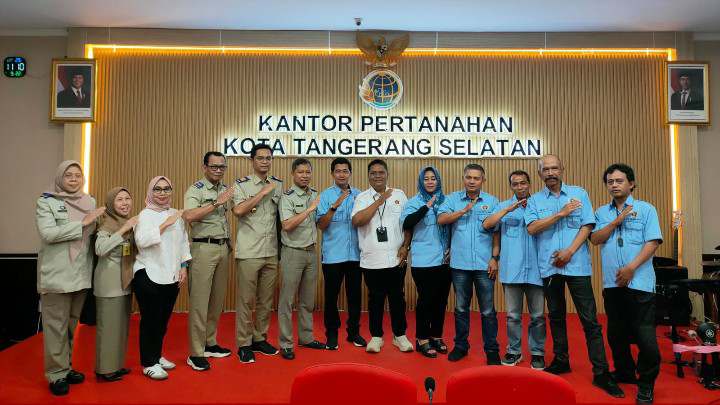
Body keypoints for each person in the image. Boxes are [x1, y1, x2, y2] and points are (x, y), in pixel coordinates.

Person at [525, 154, 623, 398]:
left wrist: (569, 251)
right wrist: (560, 214)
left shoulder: (579, 193)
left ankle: (601, 372)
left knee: (590, 321)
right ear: (539, 174)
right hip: (550, 267)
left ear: (562, 169)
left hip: (577, 265)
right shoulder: (535, 200)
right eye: (545, 169)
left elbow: (587, 225)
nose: (550, 173)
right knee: (556, 317)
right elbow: (532, 228)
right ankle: (561, 360)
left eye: (554, 168)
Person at [590, 163, 662, 404]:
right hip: (612, 284)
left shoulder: (646, 209)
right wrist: (615, 222)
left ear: (631, 184)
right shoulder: (601, 212)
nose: (614, 185)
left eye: (619, 181)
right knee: (616, 335)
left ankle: (646, 384)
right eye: (610, 181)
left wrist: (631, 268)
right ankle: (624, 372)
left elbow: (652, 242)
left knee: (646, 339)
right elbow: (595, 239)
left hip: (640, 283)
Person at [36, 161, 104, 395]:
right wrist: (82, 223)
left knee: (71, 326)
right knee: (55, 327)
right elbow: (48, 233)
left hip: (81, 273)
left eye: (78, 175)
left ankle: (66, 367)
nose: (74, 179)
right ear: (60, 178)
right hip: (57, 274)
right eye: (68, 175)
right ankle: (55, 374)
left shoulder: (89, 202)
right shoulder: (46, 201)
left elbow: (93, 236)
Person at [437, 163, 501, 364]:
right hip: (460, 265)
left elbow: (496, 233)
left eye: (476, 178)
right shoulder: (452, 199)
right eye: (469, 177)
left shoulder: (492, 201)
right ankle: (461, 346)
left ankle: (492, 350)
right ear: (463, 178)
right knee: (461, 309)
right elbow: (441, 219)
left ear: (483, 180)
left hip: (484, 264)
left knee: (488, 311)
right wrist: (463, 211)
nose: (472, 181)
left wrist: (495, 258)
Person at [482, 170, 546, 369]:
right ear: (511, 186)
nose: (520, 187)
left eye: (523, 183)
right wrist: (508, 210)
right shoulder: (503, 206)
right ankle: (514, 351)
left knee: (537, 316)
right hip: (512, 269)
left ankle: (537, 353)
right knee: (512, 316)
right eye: (515, 184)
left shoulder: (540, 205)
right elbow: (489, 226)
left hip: (537, 269)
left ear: (529, 184)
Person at [351, 159, 412, 354]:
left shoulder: (399, 195)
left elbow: (408, 224)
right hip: (371, 259)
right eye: (373, 173)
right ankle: (376, 336)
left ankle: (399, 335)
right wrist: (379, 200)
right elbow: (357, 221)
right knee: (375, 300)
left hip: (396, 257)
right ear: (368, 176)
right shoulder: (362, 197)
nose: (377, 176)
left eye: (381, 172)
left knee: (397, 298)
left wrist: (406, 246)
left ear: (387, 174)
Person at [133, 176, 191, 380]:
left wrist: (183, 266)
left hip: (172, 274)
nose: (162, 193)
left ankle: (156, 356)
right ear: (151, 191)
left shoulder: (176, 214)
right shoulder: (145, 215)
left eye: (167, 189)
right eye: (157, 189)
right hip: (148, 273)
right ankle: (148, 363)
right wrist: (165, 224)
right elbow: (141, 241)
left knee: (163, 320)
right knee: (151, 320)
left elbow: (183, 242)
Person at [183, 151, 235, 371]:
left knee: (216, 301)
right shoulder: (196, 189)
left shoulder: (226, 188)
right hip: (202, 248)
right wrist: (216, 203)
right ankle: (196, 353)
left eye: (222, 167)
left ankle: (209, 343)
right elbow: (188, 215)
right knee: (200, 302)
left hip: (222, 247)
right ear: (205, 167)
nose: (218, 170)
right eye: (214, 166)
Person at [232, 143, 283, 363]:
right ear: (252, 160)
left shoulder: (278, 184)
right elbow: (238, 210)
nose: (265, 162)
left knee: (265, 300)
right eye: (260, 158)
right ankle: (244, 344)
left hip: (271, 250)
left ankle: (259, 338)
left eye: (268, 158)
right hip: (249, 251)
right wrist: (262, 193)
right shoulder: (241, 185)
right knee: (245, 300)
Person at [277, 158, 326, 359]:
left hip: (310, 252)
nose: (305, 176)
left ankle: (306, 337)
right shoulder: (287, 197)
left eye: (307, 172)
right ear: (293, 174)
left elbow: (321, 223)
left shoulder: (315, 194)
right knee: (287, 301)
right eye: (300, 172)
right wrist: (309, 209)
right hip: (292, 252)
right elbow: (287, 225)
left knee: (307, 300)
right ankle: (286, 343)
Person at [400, 166, 451, 358]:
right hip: (423, 261)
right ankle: (422, 338)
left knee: (441, 301)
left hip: (445, 260)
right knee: (426, 300)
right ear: (421, 181)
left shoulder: (446, 201)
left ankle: (436, 336)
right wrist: (427, 206)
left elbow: (452, 225)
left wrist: (452, 247)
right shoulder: (414, 202)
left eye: (433, 178)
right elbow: (407, 223)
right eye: (426, 179)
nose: (430, 182)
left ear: (438, 181)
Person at [316, 157, 366, 350]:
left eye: (345, 171)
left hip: (355, 255)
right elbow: (321, 225)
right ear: (332, 174)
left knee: (354, 297)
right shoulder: (325, 195)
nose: (342, 174)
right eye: (338, 171)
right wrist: (334, 205)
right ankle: (332, 334)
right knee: (331, 297)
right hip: (332, 255)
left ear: (350, 173)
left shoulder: (360, 195)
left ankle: (354, 333)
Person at [93, 187, 137, 382]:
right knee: (109, 328)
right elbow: (100, 249)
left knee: (120, 327)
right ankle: (104, 370)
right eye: (119, 199)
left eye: (127, 198)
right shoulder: (107, 224)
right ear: (111, 203)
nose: (125, 203)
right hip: (109, 284)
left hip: (124, 282)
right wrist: (123, 229)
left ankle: (116, 365)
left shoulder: (128, 222)